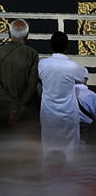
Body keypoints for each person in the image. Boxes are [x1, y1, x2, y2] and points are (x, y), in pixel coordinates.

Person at [39, 31, 88, 162]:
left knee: (49, 148)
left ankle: (49, 179)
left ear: (51, 46)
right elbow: (83, 79)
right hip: (68, 114)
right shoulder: (73, 66)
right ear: (67, 47)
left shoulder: (42, 64)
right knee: (70, 151)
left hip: (48, 113)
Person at [0, 19, 39, 135]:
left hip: (3, 110)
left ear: (9, 33)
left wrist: (11, 104)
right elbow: (32, 85)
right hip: (26, 110)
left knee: (2, 149)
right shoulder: (32, 54)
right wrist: (19, 105)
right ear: (27, 35)